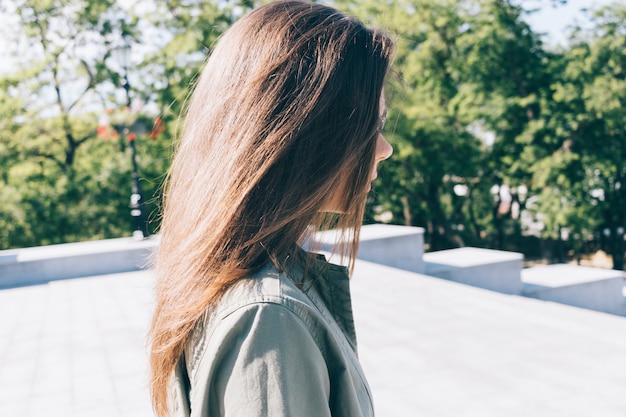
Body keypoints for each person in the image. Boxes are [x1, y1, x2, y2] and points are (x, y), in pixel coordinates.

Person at [149, 1, 395, 416]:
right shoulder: (268, 323)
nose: (384, 149)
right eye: (369, 125)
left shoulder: (246, 289)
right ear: (307, 133)